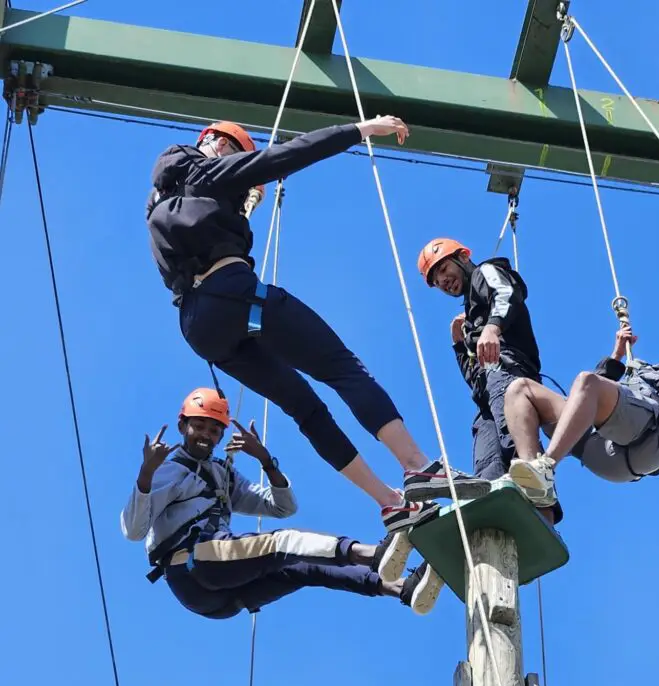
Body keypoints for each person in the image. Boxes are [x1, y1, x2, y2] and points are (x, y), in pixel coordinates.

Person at [146, 118, 486, 535]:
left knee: (304, 408)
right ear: (214, 143)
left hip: (201, 327)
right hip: (234, 294)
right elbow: (288, 153)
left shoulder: (161, 205)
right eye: (237, 152)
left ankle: (390, 504)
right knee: (343, 370)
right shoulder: (209, 172)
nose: (240, 160)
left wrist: (239, 204)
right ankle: (418, 468)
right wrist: (362, 129)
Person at [119, 388, 445, 620]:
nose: (205, 435)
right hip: (189, 567)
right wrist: (146, 474)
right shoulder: (168, 468)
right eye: (199, 426)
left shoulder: (222, 475)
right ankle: (376, 554)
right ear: (182, 426)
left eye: (214, 430)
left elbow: (281, 507)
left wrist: (266, 461)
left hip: (223, 598)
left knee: (301, 568)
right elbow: (134, 531)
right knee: (284, 543)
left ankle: (402, 588)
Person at [500, 309, 659, 509]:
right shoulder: (658, 369)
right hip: (604, 449)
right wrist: (617, 356)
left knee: (589, 381)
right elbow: (585, 397)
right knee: (521, 389)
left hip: (652, 440)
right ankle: (533, 480)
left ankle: (545, 468)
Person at [415, 236, 562, 521]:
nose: (444, 280)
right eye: (437, 280)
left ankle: (545, 512)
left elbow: (508, 292)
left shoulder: (486, 272)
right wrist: (459, 343)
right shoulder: (471, 321)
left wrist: (493, 328)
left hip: (508, 372)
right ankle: (490, 515)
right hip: (486, 397)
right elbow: (474, 378)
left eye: (445, 269)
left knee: (517, 441)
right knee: (488, 463)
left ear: (464, 257)